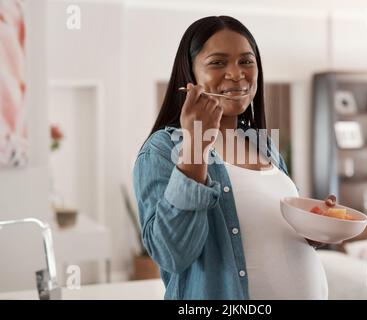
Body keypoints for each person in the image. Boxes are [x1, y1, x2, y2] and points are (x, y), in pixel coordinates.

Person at [133, 15, 328, 300]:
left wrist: (313, 225)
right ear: (190, 75)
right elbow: (171, 253)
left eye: (246, 61)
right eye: (218, 62)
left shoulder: (265, 146)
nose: (237, 74)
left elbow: (266, 232)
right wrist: (196, 145)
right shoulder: (162, 150)